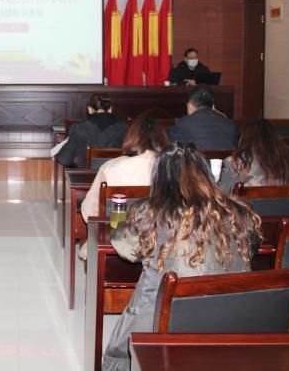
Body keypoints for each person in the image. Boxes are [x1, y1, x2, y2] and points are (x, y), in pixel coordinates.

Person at [102, 142, 262, 371]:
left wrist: (120, 228)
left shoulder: (150, 213)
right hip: (231, 321)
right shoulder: (239, 212)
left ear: (159, 178)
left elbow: (126, 249)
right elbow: (252, 249)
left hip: (162, 325)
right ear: (206, 174)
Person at [79, 115, 168, 259]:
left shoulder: (110, 167)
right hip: (163, 244)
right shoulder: (172, 169)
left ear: (131, 137)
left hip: (119, 243)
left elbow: (89, 212)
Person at [218, 119, 289, 193]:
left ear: (243, 138)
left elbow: (222, 195)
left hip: (249, 208)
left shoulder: (235, 162)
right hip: (288, 208)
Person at [56, 94, 129, 169]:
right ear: (110, 109)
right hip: (114, 175)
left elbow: (64, 159)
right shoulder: (124, 128)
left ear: (90, 109)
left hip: (87, 176)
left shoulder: (79, 128)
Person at [167, 84, 237, 150]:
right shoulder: (230, 126)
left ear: (190, 105)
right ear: (213, 107)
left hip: (195, 159)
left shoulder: (182, 124)